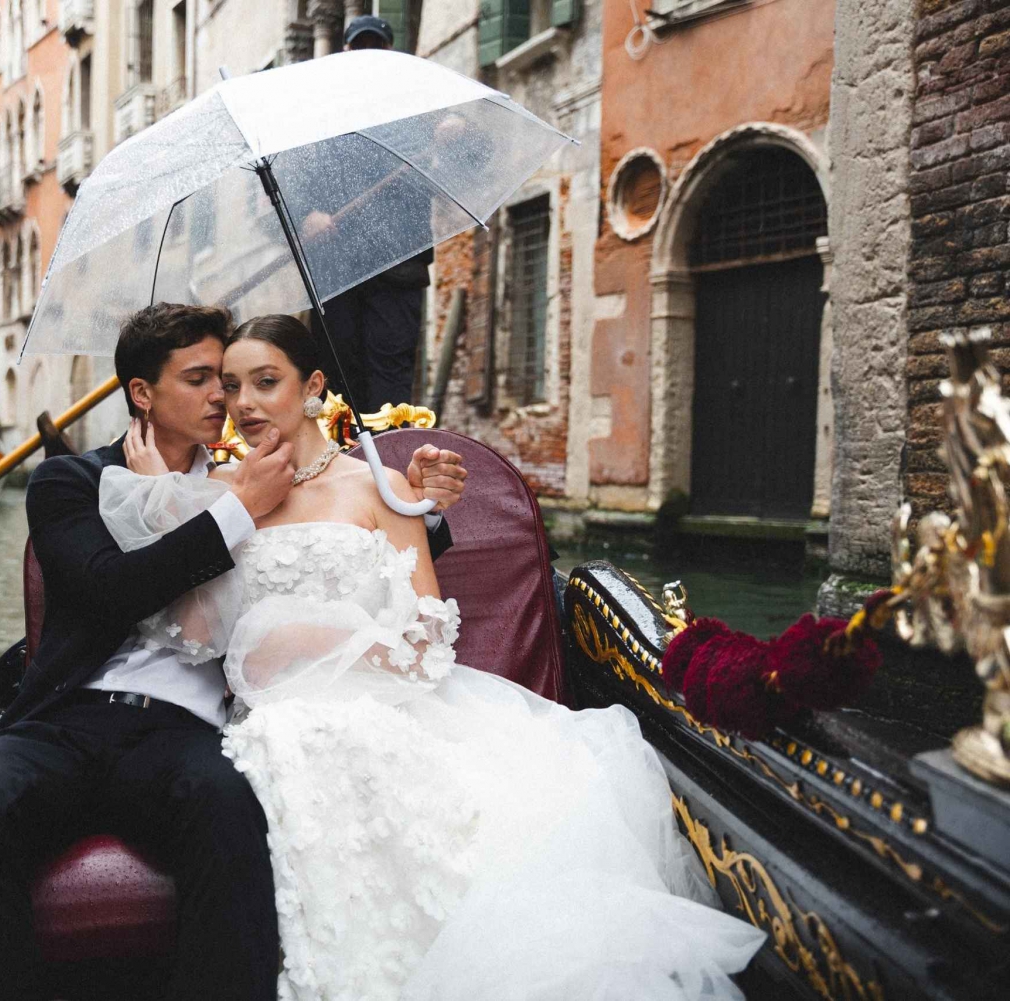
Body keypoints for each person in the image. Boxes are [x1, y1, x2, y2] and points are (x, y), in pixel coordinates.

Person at [102, 313, 769, 1001]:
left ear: (314, 388)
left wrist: (315, 635)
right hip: (264, 717)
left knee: (327, 745)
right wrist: (172, 508)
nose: (242, 404)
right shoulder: (224, 493)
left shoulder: (383, 489)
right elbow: (190, 635)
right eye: (232, 385)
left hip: (381, 706)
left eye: (266, 382)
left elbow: (426, 645)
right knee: (280, 744)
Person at [0, 303, 468, 1001]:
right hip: (66, 718)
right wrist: (202, 504)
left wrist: (422, 498)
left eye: (235, 380)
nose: (226, 397)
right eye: (204, 378)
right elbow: (108, 590)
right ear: (142, 395)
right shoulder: (72, 482)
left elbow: (344, 550)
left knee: (228, 808)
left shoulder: (251, 480)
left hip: (184, 729)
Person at [301, 14, 435, 414]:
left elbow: (474, 157)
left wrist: (455, 127)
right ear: (346, 52)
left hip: (397, 270)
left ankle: (388, 468)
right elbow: (284, 193)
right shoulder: (318, 116)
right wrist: (307, 217)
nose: (366, 55)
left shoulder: (419, 109)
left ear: (388, 52)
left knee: (391, 379)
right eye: (359, 48)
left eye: (374, 48)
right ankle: (342, 467)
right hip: (336, 273)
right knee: (336, 377)